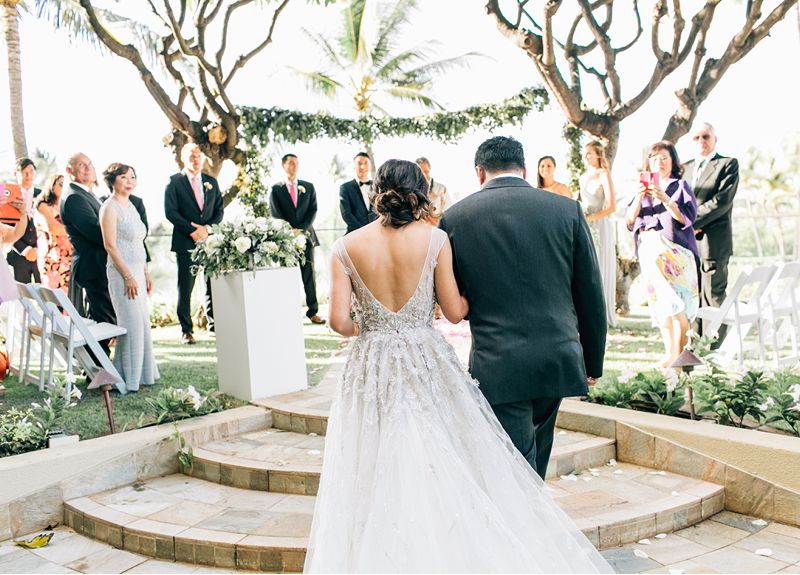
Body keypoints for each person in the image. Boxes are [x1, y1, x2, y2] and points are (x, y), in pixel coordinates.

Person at [306, 158, 611, 574]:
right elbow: (454, 311)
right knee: (433, 447)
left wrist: (375, 325)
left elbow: (340, 322)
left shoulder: (345, 247)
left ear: (377, 192)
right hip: (424, 358)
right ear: (421, 190)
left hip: (372, 361)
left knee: (373, 453)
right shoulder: (434, 240)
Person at [439, 136, 607, 481]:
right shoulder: (567, 209)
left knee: (517, 474)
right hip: (558, 359)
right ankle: (533, 528)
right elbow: (590, 292)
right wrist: (592, 360)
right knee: (532, 467)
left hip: (498, 363)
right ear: (526, 169)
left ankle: (527, 530)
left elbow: (451, 298)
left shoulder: (455, 219)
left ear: (479, 172)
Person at [627, 142, 700, 367]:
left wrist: (665, 198)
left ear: (673, 163)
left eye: (664, 158)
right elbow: (630, 221)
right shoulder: (641, 191)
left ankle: (679, 358)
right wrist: (640, 198)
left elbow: (686, 218)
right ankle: (670, 354)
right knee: (661, 305)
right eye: (654, 158)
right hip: (651, 256)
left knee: (678, 303)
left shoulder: (680, 186)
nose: (659, 162)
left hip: (675, 257)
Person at [99, 163, 159, 392]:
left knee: (142, 325)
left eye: (132, 177)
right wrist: (128, 275)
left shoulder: (132, 205)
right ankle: (131, 382)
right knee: (131, 326)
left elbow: (138, 243)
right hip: (122, 274)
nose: (129, 181)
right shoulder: (109, 208)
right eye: (124, 177)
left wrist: (144, 271)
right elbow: (110, 245)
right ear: (112, 181)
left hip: (137, 273)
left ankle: (136, 376)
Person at [683, 123, 740, 344]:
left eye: (705, 136)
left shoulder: (727, 164)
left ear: (715, 139)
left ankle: (715, 349)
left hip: (712, 244)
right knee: (692, 298)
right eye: (696, 137)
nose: (701, 141)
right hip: (687, 246)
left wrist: (689, 222)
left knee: (713, 297)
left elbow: (721, 202)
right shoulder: (685, 168)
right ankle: (695, 347)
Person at [164, 143, 224, 344]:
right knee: (186, 287)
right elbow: (171, 212)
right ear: (183, 158)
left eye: (198, 156)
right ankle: (186, 330)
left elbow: (219, 210)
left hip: (209, 241)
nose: (195, 159)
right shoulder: (174, 182)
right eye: (191, 156)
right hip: (185, 242)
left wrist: (207, 229)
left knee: (211, 284)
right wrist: (192, 230)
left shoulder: (211, 182)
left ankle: (213, 325)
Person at [60, 153, 117, 328]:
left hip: (98, 268)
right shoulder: (74, 197)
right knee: (101, 324)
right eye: (81, 165)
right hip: (92, 269)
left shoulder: (88, 194)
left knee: (106, 322)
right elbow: (96, 232)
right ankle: (96, 357)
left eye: (89, 164)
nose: (87, 168)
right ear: (69, 171)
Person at [270, 154, 324, 324]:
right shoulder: (276, 189)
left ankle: (313, 311)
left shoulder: (308, 186)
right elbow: (275, 214)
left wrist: (300, 230)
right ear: (283, 165)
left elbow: (313, 210)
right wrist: (289, 232)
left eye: (296, 163)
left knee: (309, 276)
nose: (294, 166)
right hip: (286, 241)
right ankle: (290, 311)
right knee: (288, 277)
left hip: (307, 238)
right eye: (291, 163)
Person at [579, 140, 618, 328]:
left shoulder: (604, 174)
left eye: (589, 153)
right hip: (585, 224)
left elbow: (611, 206)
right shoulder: (582, 177)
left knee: (600, 266)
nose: (586, 157)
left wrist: (592, 218)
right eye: (584, 153)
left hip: (600, 224)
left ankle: (604, 314)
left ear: (597, 155)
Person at [35, 174, 72, 293]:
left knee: (70, 299)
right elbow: (52, 227)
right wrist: (77, 230)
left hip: (70, 257)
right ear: (51, 186)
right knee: (55, 297)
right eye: (61, 184)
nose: (64, 187)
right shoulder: (42, 205)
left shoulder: (66, 205)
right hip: (53, 260)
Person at [8, 158, 41, 283]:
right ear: (16, 173)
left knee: (46, 296)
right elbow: (6, 227)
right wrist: (26, 250)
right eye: (24, 172)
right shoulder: (8, 198)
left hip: (41, 255)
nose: (28, 175)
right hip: (18, 256)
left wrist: (38, 250)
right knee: (21, 298)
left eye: (31, 171)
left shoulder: (42, 195)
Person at [339, 152, 376, 234]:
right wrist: (362, 231)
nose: (362, 167)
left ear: (370, 166)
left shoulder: (377, 187)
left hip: (375, 233)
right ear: (354, 166)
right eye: (359, 163)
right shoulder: (345, 188)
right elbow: (346, 214)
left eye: (365, 163)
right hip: (354, 234)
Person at [415, 156, 452, 224]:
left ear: (430, 169)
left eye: (426, 171)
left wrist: (439, 224)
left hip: (437, 230)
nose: (424, 175)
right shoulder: (411, 191)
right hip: (417, 231)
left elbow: (449, 212)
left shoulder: (441, 189)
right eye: (420, 173)